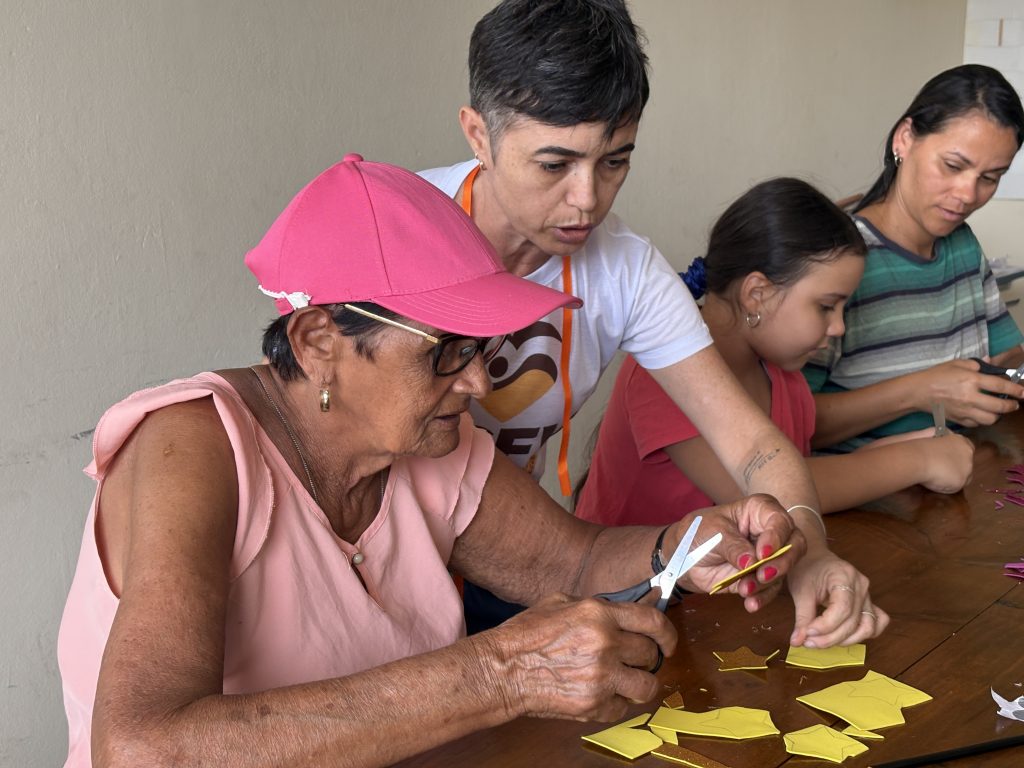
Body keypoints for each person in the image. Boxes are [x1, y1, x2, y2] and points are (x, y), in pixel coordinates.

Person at [58, 154, 822, 768]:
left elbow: (577, 561)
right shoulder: (193, 445)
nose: (479, 383)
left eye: (483, 349)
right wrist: (499, 673)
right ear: (318, 343)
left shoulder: (428, 443)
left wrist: (680, 546)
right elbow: (143, 749)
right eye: (448, 351)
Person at [420, 0, 874, 635]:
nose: (588, 200)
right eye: (554, 164)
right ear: (478, 136)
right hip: (383, 562)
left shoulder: (627, 271)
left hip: (512, 551)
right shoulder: (399, 230)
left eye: (615, 161)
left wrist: (810, 548)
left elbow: (754, 445)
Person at [576, 178, 973, 538]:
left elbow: (795, 466)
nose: (838, 327)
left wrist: (879, 455)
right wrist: (916, 460)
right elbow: (769, 494)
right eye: (826, 307)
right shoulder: (661, 373)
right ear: (757, 294)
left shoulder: (782, 373)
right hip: (635, 587)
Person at [804, 64, 1024, 452]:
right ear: (905, 139)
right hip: (864, 486)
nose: (968, 194)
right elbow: (789, 423)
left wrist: (1008, 374)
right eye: (953, 166)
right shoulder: (838, 259)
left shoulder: (962, 245)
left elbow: (1008, 357)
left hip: (959, 470)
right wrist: (919, 392)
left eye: (990, 177)